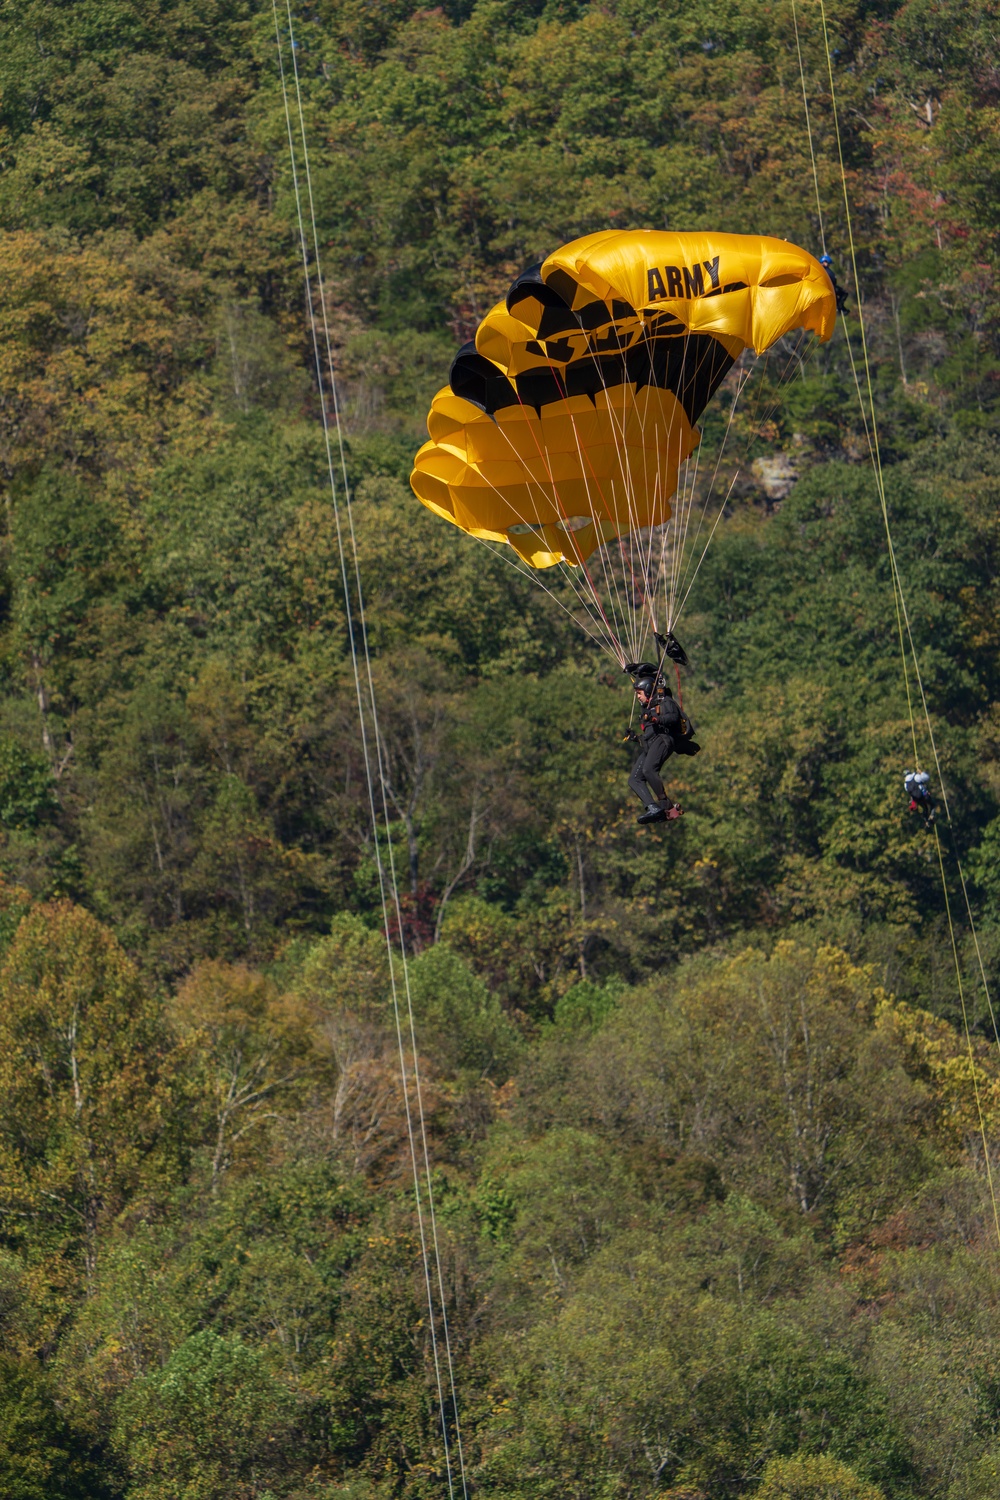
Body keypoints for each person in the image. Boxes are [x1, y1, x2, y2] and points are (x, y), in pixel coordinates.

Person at [624, 669, 699, 824]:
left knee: (649, 770)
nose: (637, 697)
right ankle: (653, 808)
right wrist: (636, 738)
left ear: (648, 691)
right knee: (634, 779)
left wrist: (656, 719)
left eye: (639, 693)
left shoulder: (665, 702)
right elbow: (648, 736)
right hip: (652, 744)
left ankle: (664, 804)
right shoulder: (647, 708)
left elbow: (673, 717)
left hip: (664, 740)